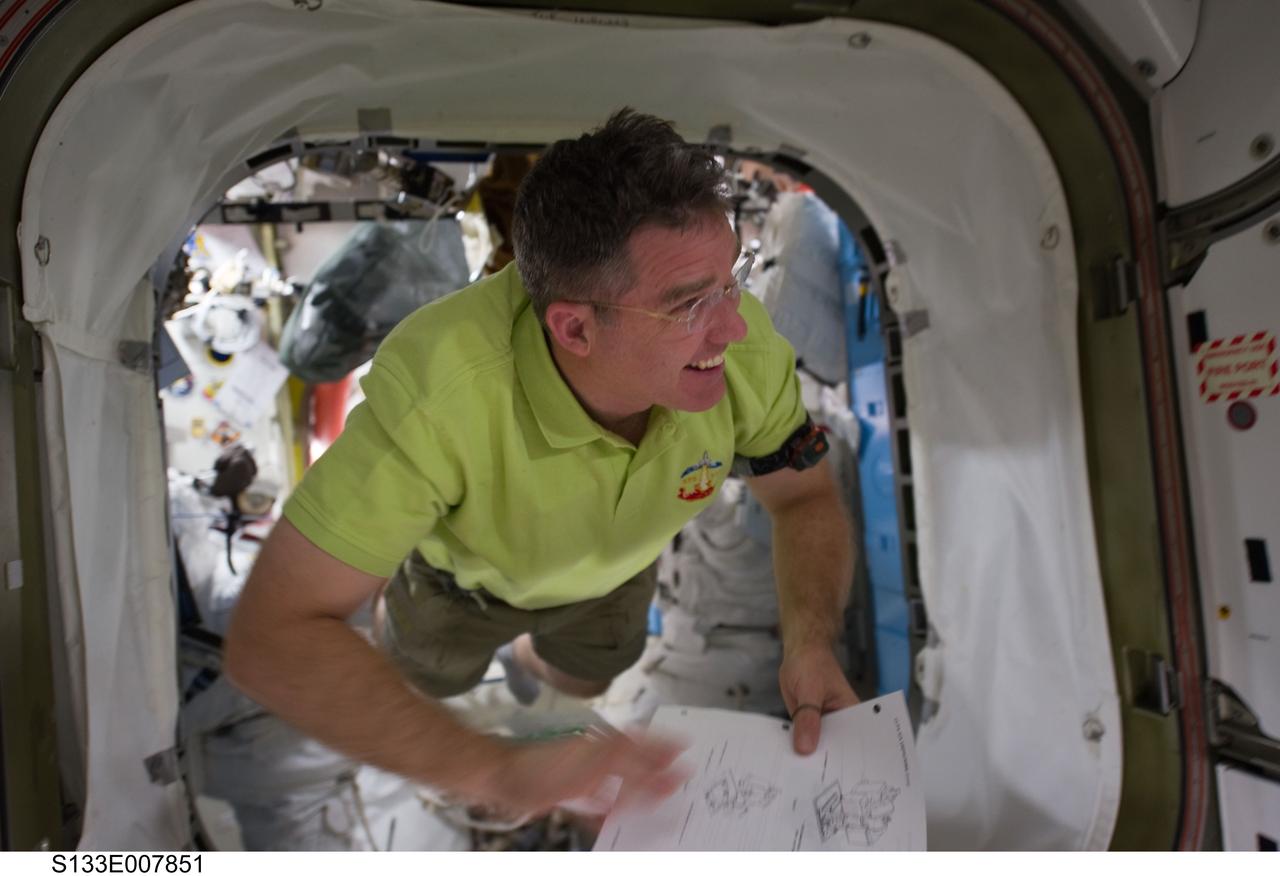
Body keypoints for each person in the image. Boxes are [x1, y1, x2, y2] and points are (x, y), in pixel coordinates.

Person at [225, 109, 858, 819]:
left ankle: (527, 660)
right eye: (688, 304)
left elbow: (803, 497)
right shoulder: (441, 395)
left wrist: (810, 642)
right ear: (576, 327)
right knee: (431, 675)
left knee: (584, 680)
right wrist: (493, 771)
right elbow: (271, 635)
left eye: (730, 279)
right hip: (459, 585)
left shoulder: (744, 354)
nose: (734, 326)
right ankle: (436, 614)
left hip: (615, 573)